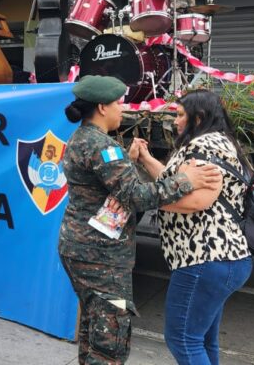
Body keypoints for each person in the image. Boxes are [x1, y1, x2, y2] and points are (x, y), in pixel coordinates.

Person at [59, 75, 223, 365]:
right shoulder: (102, 147)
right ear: (102, 107)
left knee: (93, 326)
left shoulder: (80, 139)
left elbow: (104, 183)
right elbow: (135, 196)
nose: (121, 110)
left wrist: (130, 161)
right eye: (118, 104)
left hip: (80, 246)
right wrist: (186, 179)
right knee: (109, 341)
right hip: (101, 256)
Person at [131, 90, 252, 365]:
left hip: (205, 257)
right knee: (203, 340)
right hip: (222, 257)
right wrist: (146, 158)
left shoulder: (204, 146)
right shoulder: (218, 141)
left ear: (199, 117)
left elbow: (197, 200)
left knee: (182, 339)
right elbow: (176, 183)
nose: (175, 122)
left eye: (180, 115)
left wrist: (140, 197)